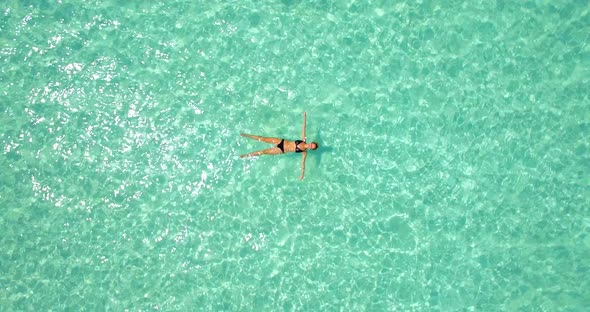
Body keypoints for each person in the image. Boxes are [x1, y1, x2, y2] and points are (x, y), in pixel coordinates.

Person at [240, 112, 319, 180]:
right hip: (281, 141)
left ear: (311, 149)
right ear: (311, 143)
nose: (310, 146)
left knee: (262, 152)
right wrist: (305, 117)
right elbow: (303, 128)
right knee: (262, 138)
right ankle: (245, 135)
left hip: (281, 150)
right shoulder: (303, 140)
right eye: (312, 144)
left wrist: (302, 174)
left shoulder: (304, 152)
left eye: (312, 147)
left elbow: (303, 163)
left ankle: (245, 155)